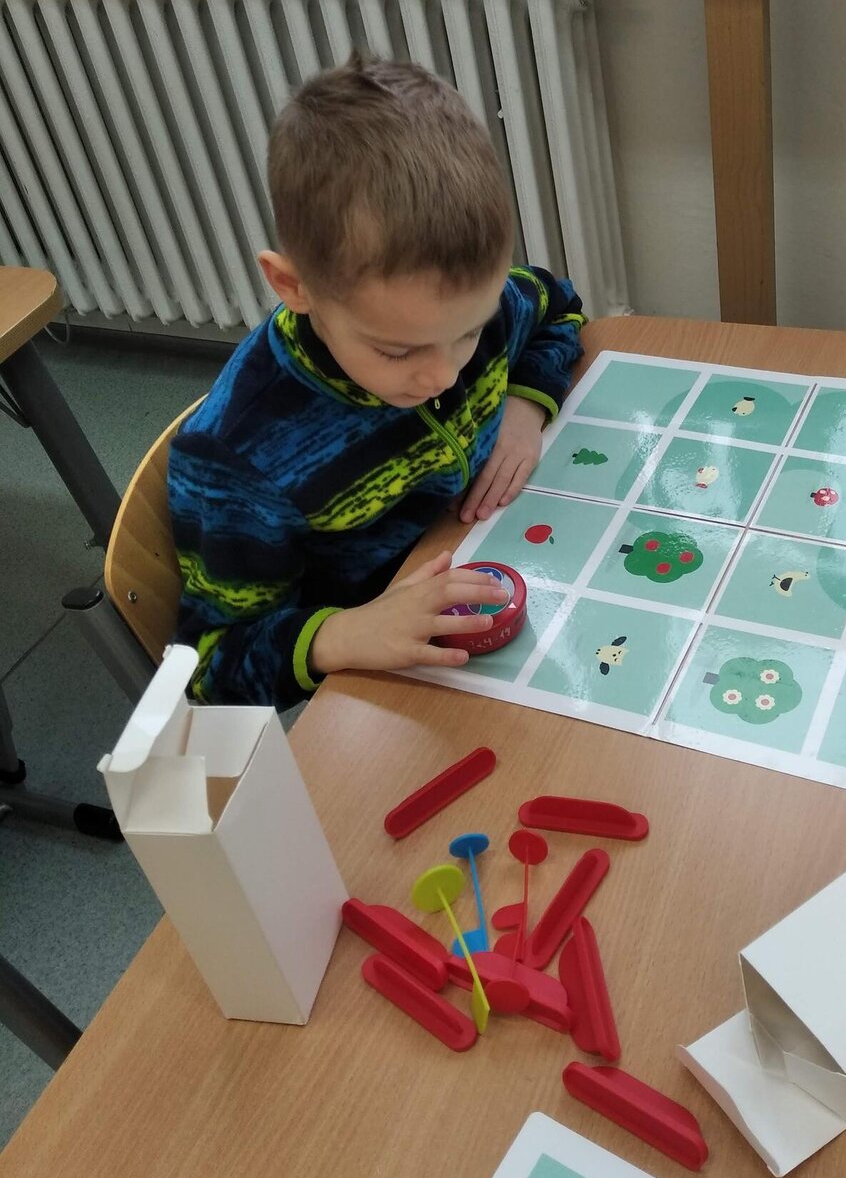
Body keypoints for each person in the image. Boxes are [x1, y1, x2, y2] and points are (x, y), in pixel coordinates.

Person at [167, 56, 584, 710]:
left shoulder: (459, 304)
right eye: (397, 350)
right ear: (294, 286)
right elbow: (207, 670)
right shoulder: (239, 461)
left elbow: (558, 307)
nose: (444, 374)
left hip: (481, 556)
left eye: (470, 332)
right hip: (378, 671)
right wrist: (342, 635)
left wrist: (525, 403)